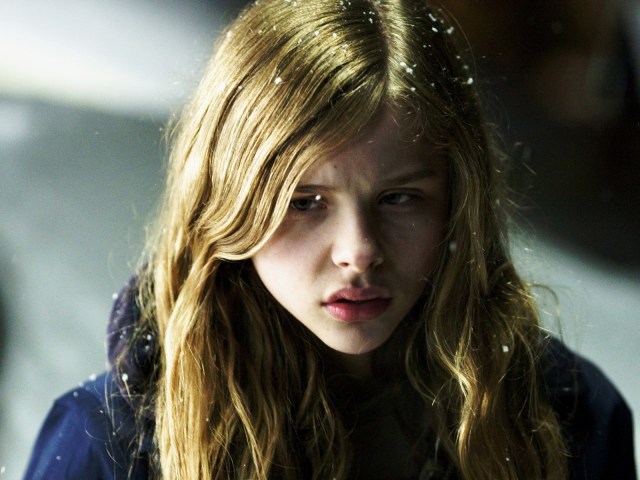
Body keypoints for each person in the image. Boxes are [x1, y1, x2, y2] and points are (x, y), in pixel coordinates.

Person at [24, 0, 636, 479]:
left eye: (400, 199)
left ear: (459, 203)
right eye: (304, 203)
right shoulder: (110, 445)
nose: (358, 251)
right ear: (227, 204)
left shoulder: (561, 415)